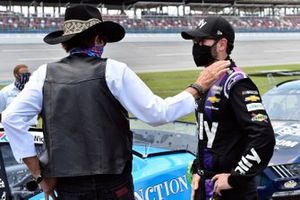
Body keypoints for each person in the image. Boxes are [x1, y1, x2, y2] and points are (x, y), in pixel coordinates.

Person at [2, 5, 230, 200]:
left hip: (69, 187)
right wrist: (197, 88)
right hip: (112, 184)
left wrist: (39, 174)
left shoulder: (44, 74)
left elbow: (11, 120)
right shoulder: (114, 70)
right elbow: (157, 114)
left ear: (65, 43)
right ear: (98, 38)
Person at [181, 16, 275, 200]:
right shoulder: (206, 81)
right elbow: (210, 138)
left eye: (202, 41)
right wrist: (198, 170)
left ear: (222, 44)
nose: (197, 46)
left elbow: (263, 136)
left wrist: (235, 178)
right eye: (195, 41)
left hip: (231, 191)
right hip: (207, 185)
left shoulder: (237, 83)